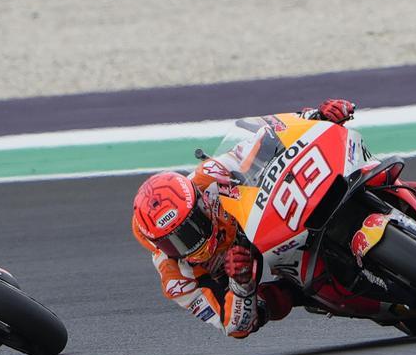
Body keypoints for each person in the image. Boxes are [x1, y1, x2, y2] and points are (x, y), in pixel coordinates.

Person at [132, 99, 379, 338]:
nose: (191, 242)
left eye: (192, 226)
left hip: (267, 216)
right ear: (157, 245)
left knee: (360, 173)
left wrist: (317, 116)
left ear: (201, 202)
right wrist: (241, 284)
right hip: (247, 263)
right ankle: (318, 293)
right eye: (174, 242)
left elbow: (265, 138)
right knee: (270, 302)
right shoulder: (176, 279)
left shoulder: (209, 176)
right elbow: (231, 326)